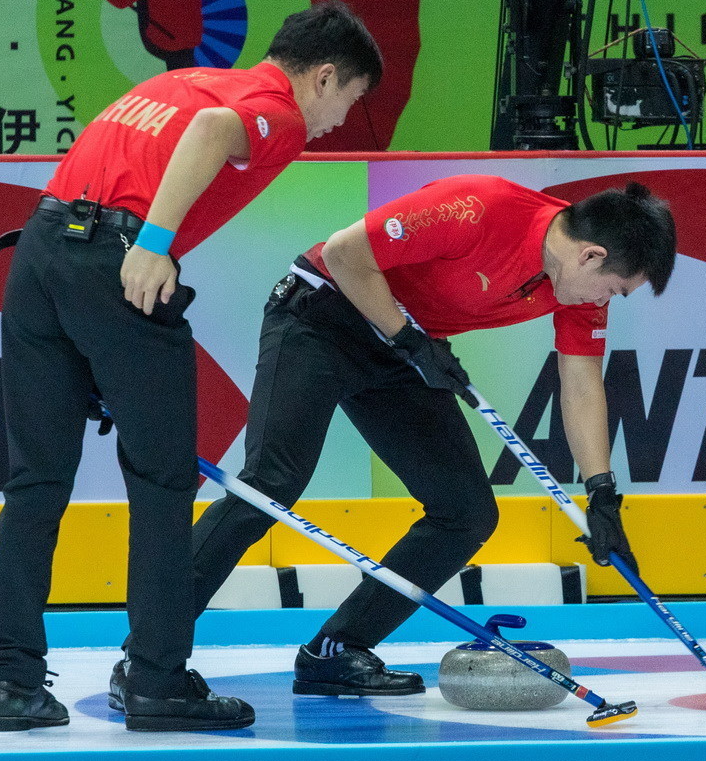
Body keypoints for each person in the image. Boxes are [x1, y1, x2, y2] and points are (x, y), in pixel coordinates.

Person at [0, 1, 381, 733]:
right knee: (162, 484)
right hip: (119, 263)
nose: (338, 122)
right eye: (349, 100)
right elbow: (211, 134)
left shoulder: (183, 81)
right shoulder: (275, 111)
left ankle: (12, 682)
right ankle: (157, 680)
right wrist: (153, 244)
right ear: (324, 76)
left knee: (34, 482)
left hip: (39, 251)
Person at [187, 175, 676, 696]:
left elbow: (580, 382)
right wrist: (409, 339)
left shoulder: (579, 290)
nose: (608, 299)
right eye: (615, 289)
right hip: (323, 315)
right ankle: (152, 653)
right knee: (269, 486)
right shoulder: (480, 208)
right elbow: (344, 253)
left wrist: (601, 493)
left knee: (466, 512)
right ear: (591, 256)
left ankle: (336, 650)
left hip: (404, 348)